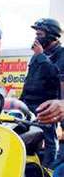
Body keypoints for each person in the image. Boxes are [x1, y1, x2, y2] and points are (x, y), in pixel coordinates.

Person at [21, 18, 64, 168]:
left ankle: (48, 170)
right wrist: (21, 102)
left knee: (49, 140)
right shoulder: (38, 55)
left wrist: (40, 56)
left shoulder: (61, 54)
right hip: (29, 104)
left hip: (46, 105)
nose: (36, 38)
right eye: (36, 34)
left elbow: (54, 76)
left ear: (51, 35)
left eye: (40, 34)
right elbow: (29, 79)